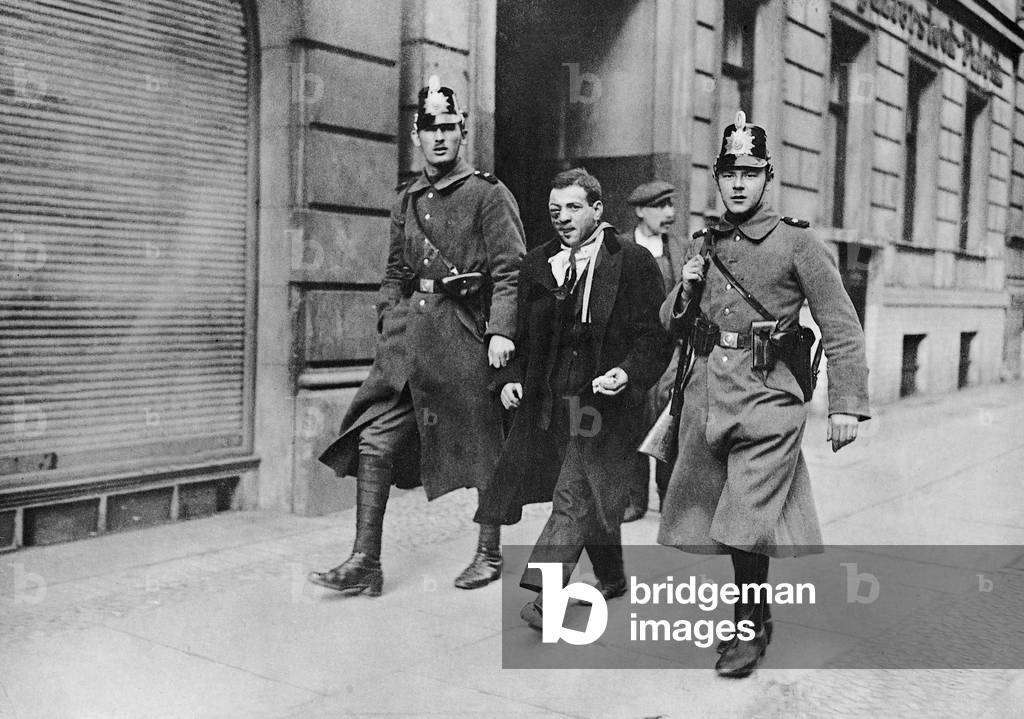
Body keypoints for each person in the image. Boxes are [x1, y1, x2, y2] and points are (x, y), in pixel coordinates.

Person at [658, 111, 869, 677]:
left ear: (767, 176)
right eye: (728, 172)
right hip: (707, 394)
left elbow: (842, 325)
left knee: (745, 518)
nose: (738, 182)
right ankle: (757, 609)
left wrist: (846, 404)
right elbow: (672, 322)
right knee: (715, 517)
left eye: (750, 172)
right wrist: (687, 286)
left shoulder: (797, 242)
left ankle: (748, 624)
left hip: (770, 398)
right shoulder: (706, 240)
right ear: (718, 177)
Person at [309, 76, 526, 595]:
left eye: (449, 127)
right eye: (430, 128)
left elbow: (512, 271)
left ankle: (489, 552)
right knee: (374, 438)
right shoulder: (407, 199)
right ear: (416, 135)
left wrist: (500, 332)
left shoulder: (487, 194)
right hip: (409, 343)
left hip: (464, 335)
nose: (440, 137)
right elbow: (393, 272)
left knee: (482, 446)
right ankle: (366, 560)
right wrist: (389, 315)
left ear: (463, 132)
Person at [473, 167, 671, 629]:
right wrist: (508, 378)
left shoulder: (633, 261)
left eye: (573, 208)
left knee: (574, 493)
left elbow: (655, 338)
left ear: (598, 210)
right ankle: (612, 576)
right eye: (554, 210)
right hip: (551, 404)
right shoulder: (539, 264)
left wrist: (627, 372)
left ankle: (546, 599)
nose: (562, 218)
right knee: (595, 488)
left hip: (607, 406)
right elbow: (518, 332)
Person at [621, 180, 685, 521]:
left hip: (672, 352)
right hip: (634, 352)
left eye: (670, 205)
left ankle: (668, 496)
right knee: (633, 421)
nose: (669, 213)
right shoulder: (620, 248)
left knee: (668, 424)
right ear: (640, 210)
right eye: (660, 206)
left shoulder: (680, 248)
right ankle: (634, 500)